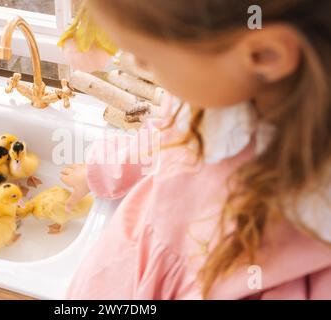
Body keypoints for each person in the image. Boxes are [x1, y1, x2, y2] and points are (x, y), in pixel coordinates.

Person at [60, 0, 331, 299]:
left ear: (264, 55)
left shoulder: (315, 236)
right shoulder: (205, 99)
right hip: (129, 266)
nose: (136, 65)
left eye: (147, 58)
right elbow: (156, 143)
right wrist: (95, 172)